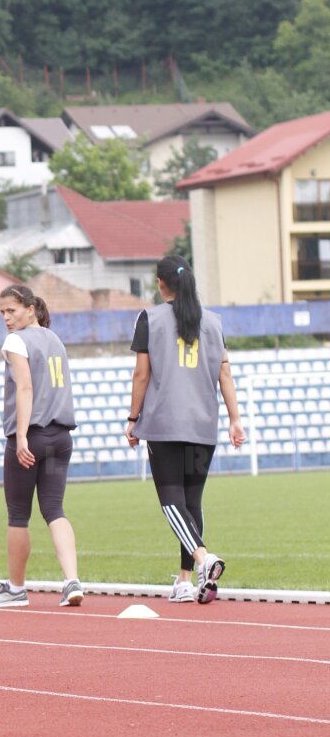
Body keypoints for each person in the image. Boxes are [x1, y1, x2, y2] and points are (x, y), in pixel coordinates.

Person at [126, 254, 244, 604]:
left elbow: (141, 374)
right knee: (191, 502)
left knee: (171, 500)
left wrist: (133, 419)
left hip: (164, 423)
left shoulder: (150, 318)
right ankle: (184, 581)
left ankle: (204, 558)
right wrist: (236, 419)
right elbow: (225, 373)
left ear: (160, 283)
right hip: (203, 422)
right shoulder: (213, 322)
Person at [0, 284, 83, 610]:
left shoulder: (16, 340)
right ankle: (72, 580)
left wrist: (22, 436)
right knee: (55, 510)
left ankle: (15, 589)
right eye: (2, 312)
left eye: (11, 311)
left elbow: (25, 387)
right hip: (60, 437)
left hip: (31, 437)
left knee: (18, 515)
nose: (6, 318)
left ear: (30, 308)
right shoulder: (55, 339)